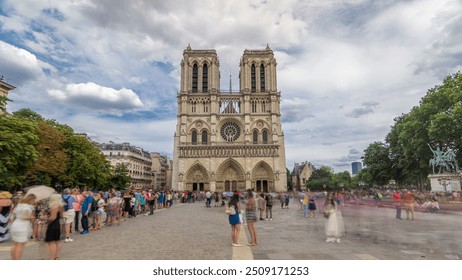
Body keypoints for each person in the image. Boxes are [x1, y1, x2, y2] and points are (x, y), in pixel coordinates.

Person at [10, 193, 37, 259]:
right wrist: (33, 218)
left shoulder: (19, 205)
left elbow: (13, 215)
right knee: (20, 245)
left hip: (15, 225)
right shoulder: (30, 207)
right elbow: (30, 217)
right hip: (23, 226)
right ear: (32, 200)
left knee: (15, 244)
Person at [45, 194, 64, 260]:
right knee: (57, 241)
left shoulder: (54, 207)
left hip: (52, 225)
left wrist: (45, 218)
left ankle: (51, 258)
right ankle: (57, 256)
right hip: (57, 224)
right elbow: (62, 216)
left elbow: (52, 218)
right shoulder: (60, 206)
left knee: (51, 242)